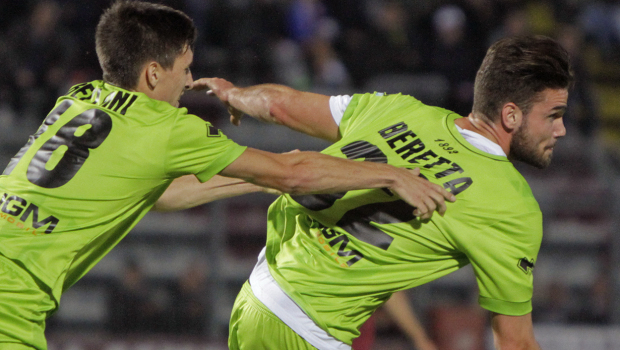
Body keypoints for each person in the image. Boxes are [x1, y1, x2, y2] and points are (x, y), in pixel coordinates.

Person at [0, 2, 456, 349]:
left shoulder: (80, 99)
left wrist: (257, 176)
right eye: (184, 67)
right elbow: (291, 176)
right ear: (153, 72)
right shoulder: (166, 127)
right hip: (11, 301)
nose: (189, 78)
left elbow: (161, 195)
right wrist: (391, 175)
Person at [195, 34, 573, 350]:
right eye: (553, 115)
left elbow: (279, 106)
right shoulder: (511, 206)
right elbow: (516, 343)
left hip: (257, 298)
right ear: (510, 115)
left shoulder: (397, 109)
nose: (561, 131)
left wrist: (235, 94)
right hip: (309, 331)